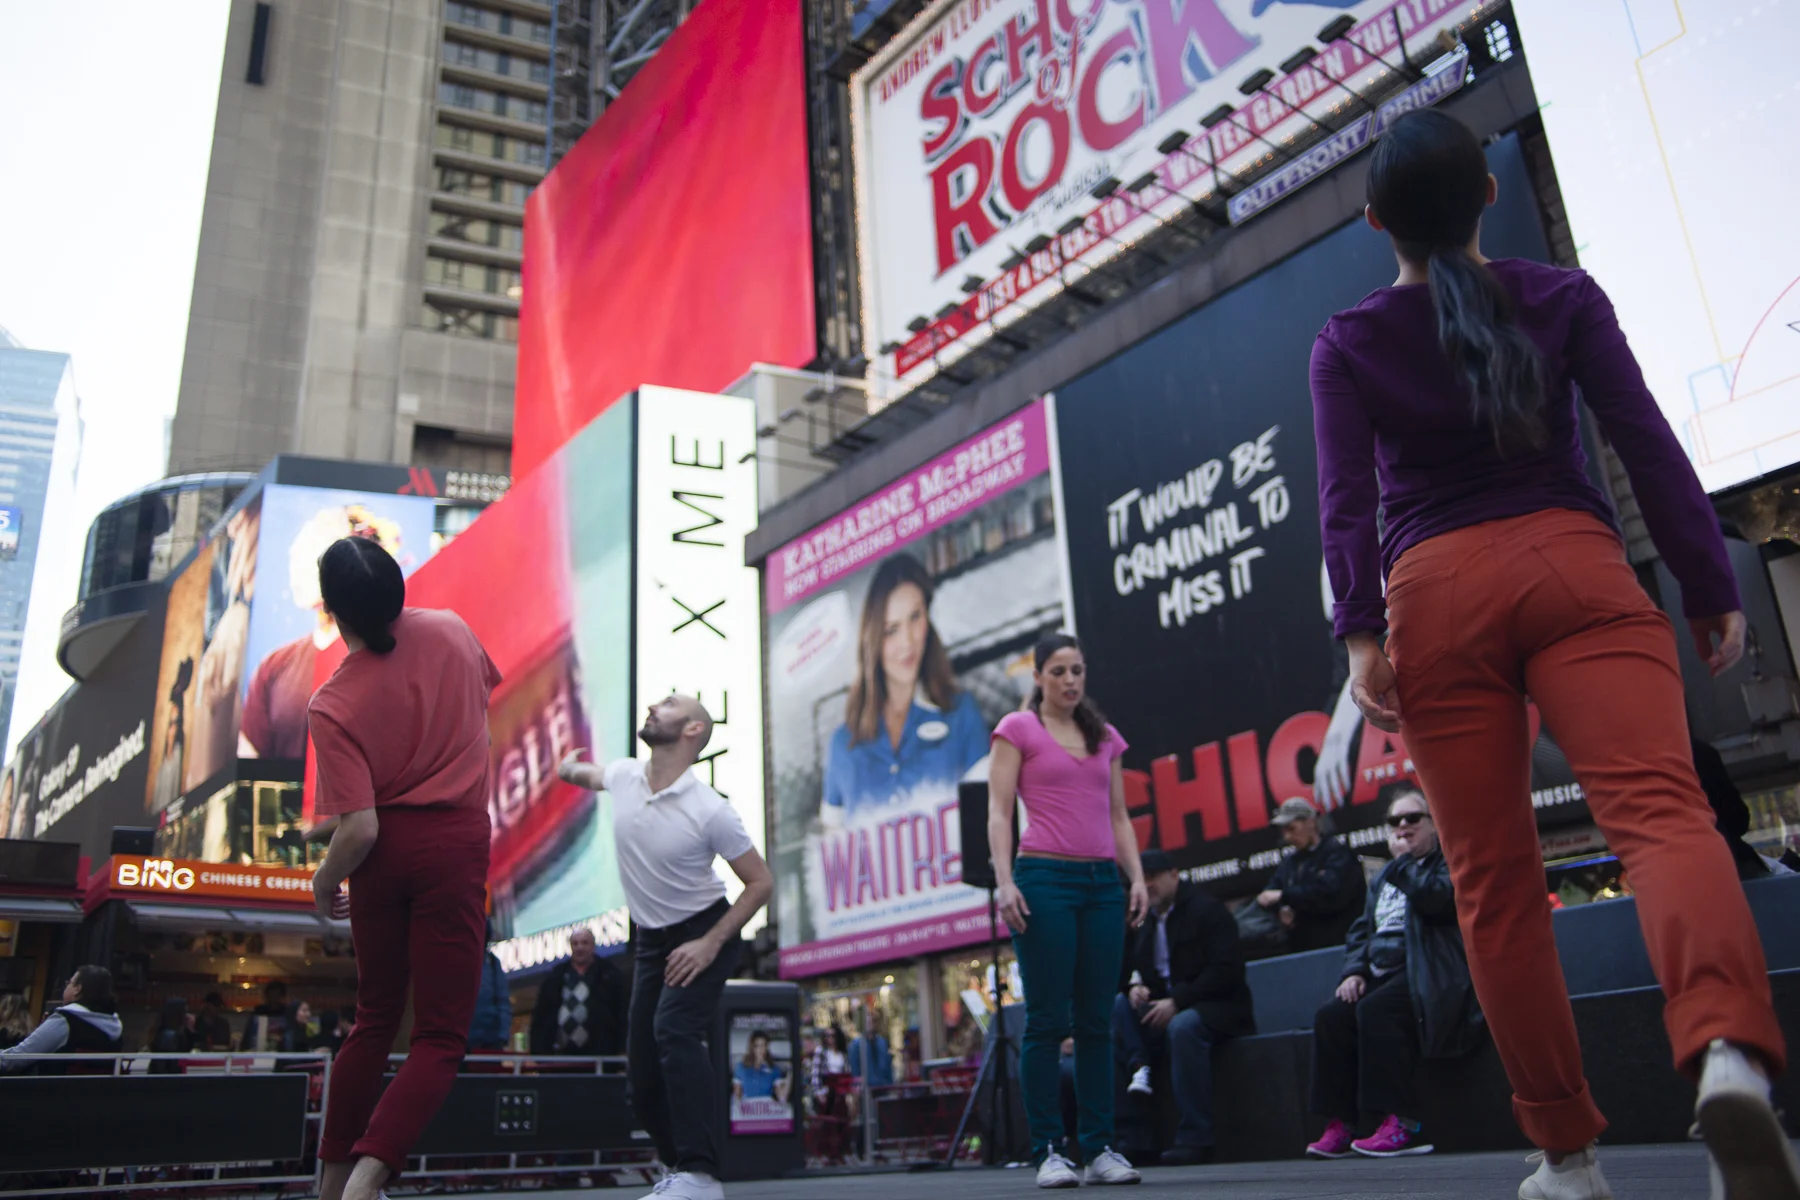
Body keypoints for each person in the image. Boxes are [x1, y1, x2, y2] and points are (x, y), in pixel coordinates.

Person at [1311, 108, 1794, 1199]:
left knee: (1491, 882)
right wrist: (1708, 583)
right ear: (1488, 194)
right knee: (1664, 819)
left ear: (1376, 219)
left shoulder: (1345, 341)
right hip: (1577, 567)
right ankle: (1727, 1052)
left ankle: (1568, 1158)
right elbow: (1643, 438)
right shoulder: (1563, 296)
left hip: (1435, 597)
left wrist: (1360, 636)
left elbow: (1345, 503)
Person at [306, 535, 502, 1200]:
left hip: (381, 862)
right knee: (441, 1034)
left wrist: (324, 879)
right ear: (399, 589)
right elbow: (483, 710)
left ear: (332, 612)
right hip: (454, 845)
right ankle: (367, 1182)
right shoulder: (452, 632)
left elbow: (359, 828)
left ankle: (328, 1187)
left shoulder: (330, 704)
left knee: (374, 1019)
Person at [557, 694, 774, 1200]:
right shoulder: (627, 775)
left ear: (694, 729)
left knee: (673, 1030)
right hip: (651, 940)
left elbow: (760, 883)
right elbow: (591, 777)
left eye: (670, 703)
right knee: (642, 1075)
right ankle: (681, 1171)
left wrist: (708, 944)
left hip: (705, 932)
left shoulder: (710, 810)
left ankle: (702, 1174)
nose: (654, 704)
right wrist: (568, 768)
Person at [989, 633, 1148, 1188]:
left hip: (1102, 882)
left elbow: (1119, 815)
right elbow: (999, 811)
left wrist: (1137, 878)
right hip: (1044, 878)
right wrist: (1005, 881)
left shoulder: (1103, 736)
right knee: (1048, 1020)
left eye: (1077, 670)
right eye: (1058, 671)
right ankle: (1048, 1150)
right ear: (1038, 677)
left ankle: (1100, 1147)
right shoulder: (1018, 729)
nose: (1070, 680)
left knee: (1096, 1021)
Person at [1303, 789, 1481, 1160]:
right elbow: (1361, 931)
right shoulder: (1384, 876)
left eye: (1412, 818)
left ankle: (1400, 1124)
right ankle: (1342, 1123)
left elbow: (1437, 902)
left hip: (1429, 972)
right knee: (1331, 1016)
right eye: (1394, 821)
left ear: (1433, 824)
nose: (1402, 827)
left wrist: (1401, 865)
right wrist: (1354, 971)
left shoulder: (1447, 860)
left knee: (1376, 1010)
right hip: (1380, 972)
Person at [821, 554, 989, 824]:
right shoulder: (842, 745)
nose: (908, 642)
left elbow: (988, 823)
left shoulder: (961, 715)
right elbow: (833, 849)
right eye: (891, 630)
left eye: (915, 617)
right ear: (873, 639)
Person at [1112, 849, 1254, 1166]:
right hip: (1167, 1005)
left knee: (1183, 1028)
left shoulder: (1208, 910)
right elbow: (1133, 970)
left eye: (1152, 878)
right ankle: (1135, 1133)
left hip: (1218, 1008)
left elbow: (1225, 971)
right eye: (1140, 879)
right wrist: (1136, 987)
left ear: (1174, 875)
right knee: (1118, 1009)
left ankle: (1196, 1137)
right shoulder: (1144, 921)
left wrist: (1178, 1001)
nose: (1147, 886)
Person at [1255, 798, 1364, 952]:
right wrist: (1281, 908)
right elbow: (1268, 893)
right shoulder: (1289, 863)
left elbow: (1329, 893)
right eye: (1283, 831)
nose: (1287, 837)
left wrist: (1284, 896)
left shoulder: (1338, 854)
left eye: (1292, 829)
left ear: (1311, 822)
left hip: (1341, 946)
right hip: (1302, 950)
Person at [0, 966, 123, 1072]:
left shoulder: (65, 1019)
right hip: (98, 1097)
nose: (66, 987)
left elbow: (17, 1058)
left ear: (78, 989)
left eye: (69, 983)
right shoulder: (115, 1026)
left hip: (51, 1095)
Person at [529, 927, 625, 1056]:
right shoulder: (556, 977)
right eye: (575, 943)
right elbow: (541, 1015)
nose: (580, 948)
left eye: (584, 943)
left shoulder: (609, 975)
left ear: (593, 946)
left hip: (600, 1055)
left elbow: (621, 1012)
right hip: (561, 1057)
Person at [469, 925, 515, 1053]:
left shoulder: (493, 962)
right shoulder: (458, 959)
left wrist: (502, 1035)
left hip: (490, 1041)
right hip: (463, 1041)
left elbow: (503, 1001)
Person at [733, 1031, 790, 1103]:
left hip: (767, 1108)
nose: (761, 1049)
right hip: (747, 1108)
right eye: (757, 1046)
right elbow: (737, 1096)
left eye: (764, 1045)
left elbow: (782, 1098)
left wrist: (790, 1074)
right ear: (752, 1047)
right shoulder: (740, 1068)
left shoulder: (774, 1069)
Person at [149, 997, 197, 1074]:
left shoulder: (169, 1032)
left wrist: (189, 1030)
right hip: (166, 1077)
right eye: (184, 1012)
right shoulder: (168, 1035)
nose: (186, 1016)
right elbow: (170, 1061)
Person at [252, 980, 290, 1050]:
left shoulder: (287, 1011)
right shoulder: (259, 1011)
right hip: (260, 1046)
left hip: (282, 1048)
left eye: (277, 995)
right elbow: (252, 1031)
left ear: (282, 996)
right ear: (266, 995)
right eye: (271, 994)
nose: (274, 998)